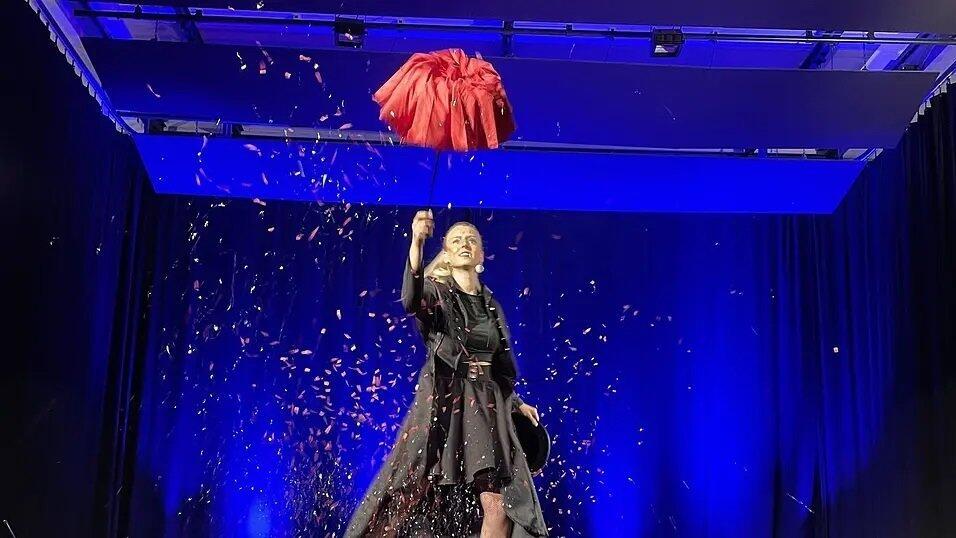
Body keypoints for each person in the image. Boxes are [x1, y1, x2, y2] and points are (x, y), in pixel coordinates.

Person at [346, 210, 549, 537]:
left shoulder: (491, 306)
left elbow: (499, 366)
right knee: (414, 492)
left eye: (472, 240)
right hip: (448, 405)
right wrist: (417, 242)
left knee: (500, 505)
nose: (465, 244)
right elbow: (411, 300)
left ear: (481, 255)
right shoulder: (436, 295)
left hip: (488, 409)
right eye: (456, 240)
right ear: (447, 254)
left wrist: (516, 403)